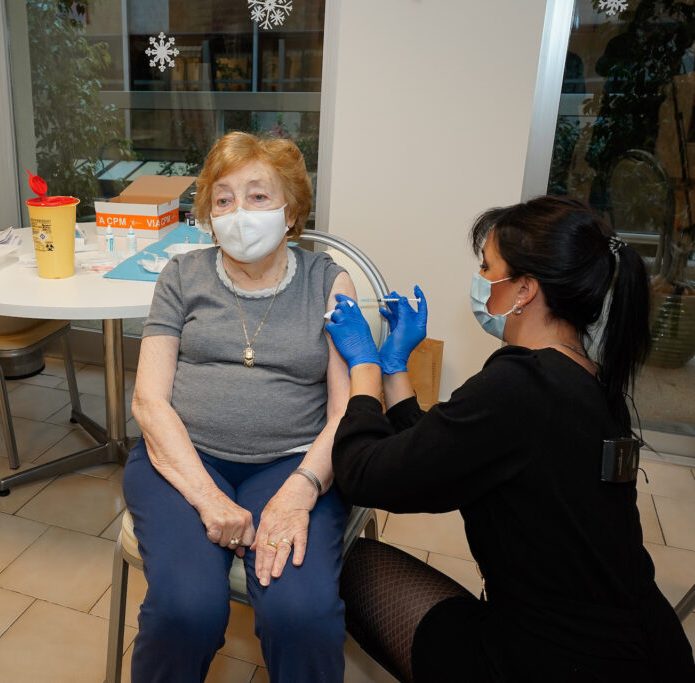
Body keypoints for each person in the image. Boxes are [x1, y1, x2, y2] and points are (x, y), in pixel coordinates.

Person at [324, 195, 695, 682]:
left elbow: (363, 474)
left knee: (349, 563)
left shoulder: (520, 387)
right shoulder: (587, 380)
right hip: (648, 651)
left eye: (487, 268)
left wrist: (365, 368)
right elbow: (444, 456)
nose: (481, 283)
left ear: (524, 290)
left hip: (555, 664)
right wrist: (396, 370)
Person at [124, 131, 356, 682]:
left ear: (291, 210)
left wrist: (301, 489)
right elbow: (148, 399)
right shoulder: (182, 276)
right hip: (183, 461)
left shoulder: (328, 281)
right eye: (223, 199)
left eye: (257, 196)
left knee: (302, 615)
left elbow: (350, 411)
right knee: (186, 610)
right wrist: (205, 497)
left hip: (295, 464)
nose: (238, 213)